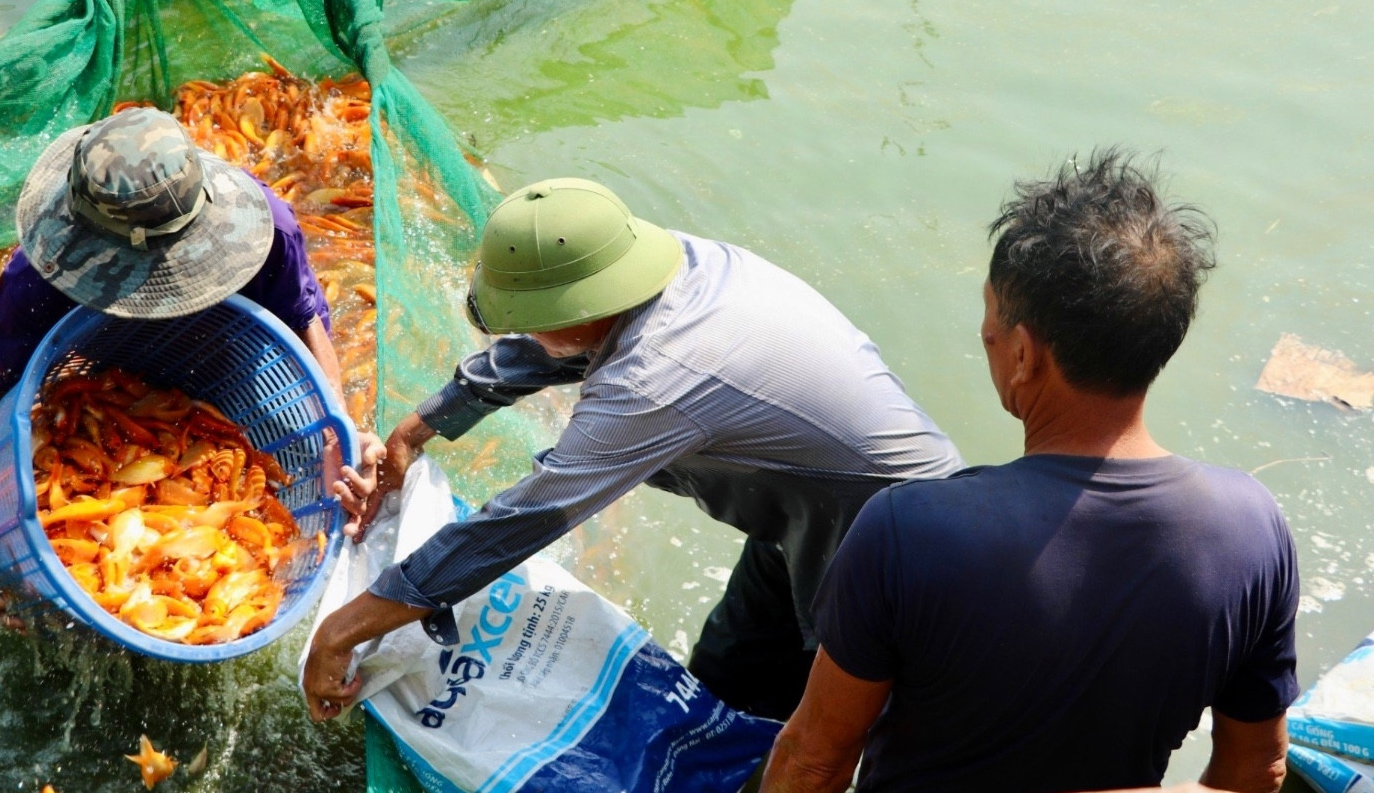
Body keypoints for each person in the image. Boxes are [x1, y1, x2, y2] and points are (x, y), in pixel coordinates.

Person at [732, 149, 1299, 793]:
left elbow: (817, 761)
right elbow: (1253, 772)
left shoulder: (910, 529)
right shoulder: (1252, 530)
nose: (987, 338)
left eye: (992, 324)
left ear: (1026, 355)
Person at [305, 177, 963, 722]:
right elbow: (549, 349)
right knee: (722, 691)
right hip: (793, 516)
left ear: (578, 307)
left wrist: (342, 628)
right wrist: (409, 435)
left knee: (855, 738)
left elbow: (516, 523)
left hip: (888, 545)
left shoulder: (653, 378)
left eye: (529, 316)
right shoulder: (668, 269)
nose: (523, 332)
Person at [0, 106, 377, 613]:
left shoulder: (269, 232)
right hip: (106, 378)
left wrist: (337, 435)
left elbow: (305, 327)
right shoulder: (37, 279)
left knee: (280, 491)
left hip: (232, 365)